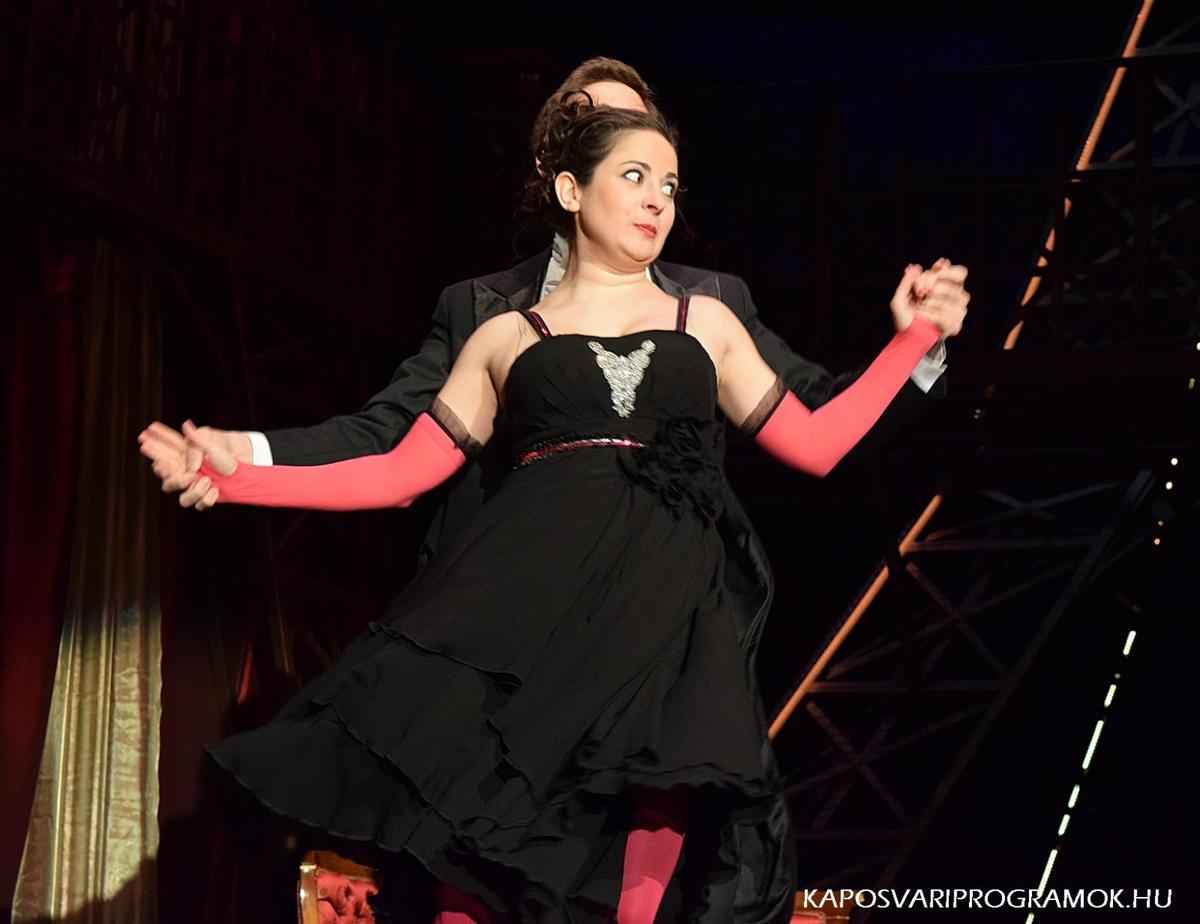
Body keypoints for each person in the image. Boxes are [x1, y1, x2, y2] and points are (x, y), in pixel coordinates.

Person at [140, 93, 963, 924]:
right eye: (634, 176)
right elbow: (398, 472)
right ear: (571, 190)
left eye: (670, 186)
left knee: (652, 814)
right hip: (526, 600)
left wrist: (913, 341)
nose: (656, 201)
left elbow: (819, 442)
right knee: (482, 849)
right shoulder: (503, 336)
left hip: (665, 609)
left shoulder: (707, 321)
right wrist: (236, 478)